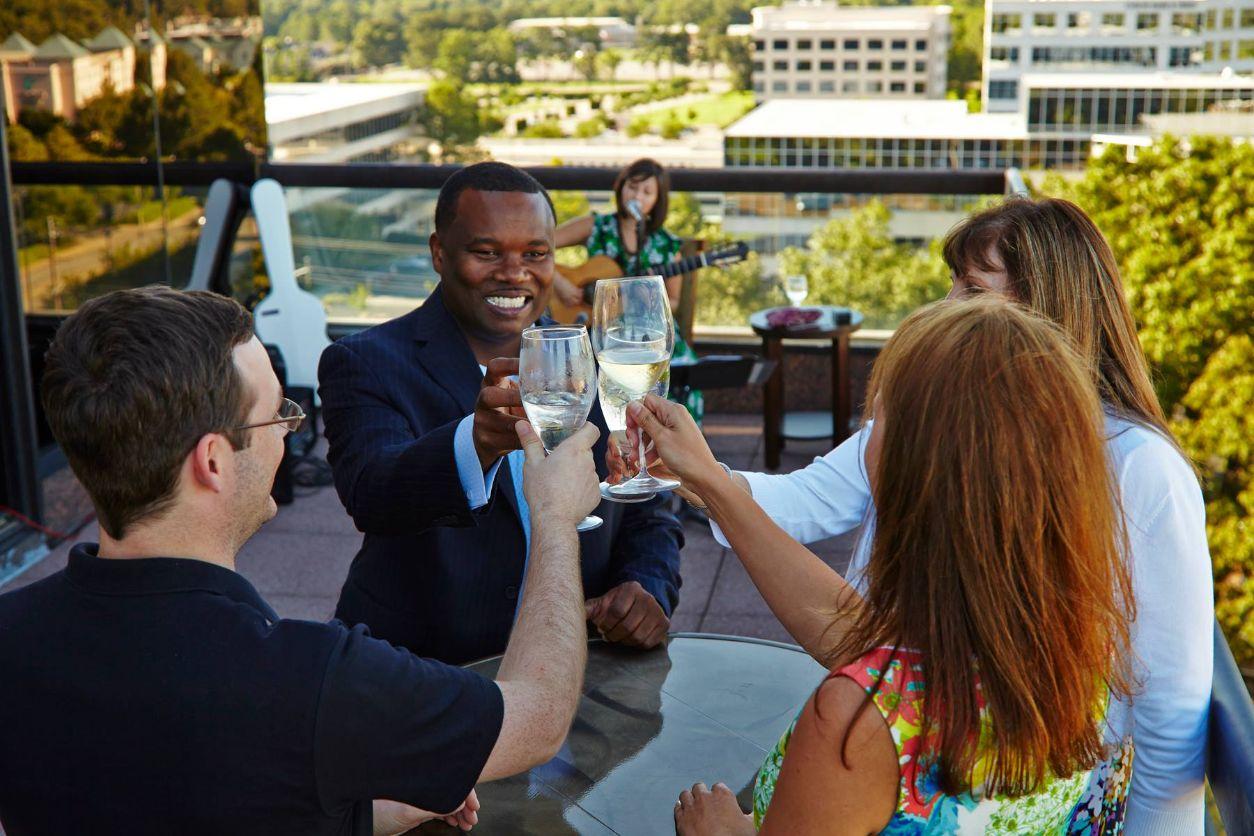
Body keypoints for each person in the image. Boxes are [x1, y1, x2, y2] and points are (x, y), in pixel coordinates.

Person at [638, 197, 1212, 832]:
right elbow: (856, 611)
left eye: (972, 289)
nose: (945, 305)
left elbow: (1171, 717)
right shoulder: (1044, 669)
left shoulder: (866, 722)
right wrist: (699, 475)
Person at [0, 286, 600, 835]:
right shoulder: (313, 680)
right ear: (212, 461)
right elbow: (538, 718)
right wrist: (553, 516)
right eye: (277, 414)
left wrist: (371, 810)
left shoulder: (13, 635)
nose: (288, 430)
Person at [319, 161, 683, 665]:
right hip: (421, 669)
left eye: (535, 254)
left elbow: (647, 510)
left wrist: (645, 587)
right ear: (439, 252)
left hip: (577, 664)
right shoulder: (364, 361)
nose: (514, 273)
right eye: (487, 252)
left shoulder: (600, 360)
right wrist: (475, 444)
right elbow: (372, 494)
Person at [555, 156, 704, 424]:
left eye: (647, 192)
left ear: (658, 200)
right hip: (603, 330)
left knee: (683, 376)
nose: (637, 196)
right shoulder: (597, 227)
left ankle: (669, 443)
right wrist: (560, 282)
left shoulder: (666, 245)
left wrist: (651, 300)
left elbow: (673, 301)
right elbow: (539, 245)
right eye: (632, 187)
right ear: (620, 186)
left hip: (649, 334)